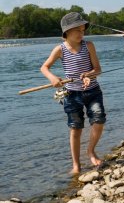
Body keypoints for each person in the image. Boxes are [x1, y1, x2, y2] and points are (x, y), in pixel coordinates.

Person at [41, 12, 106, 174]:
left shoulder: (88, 45)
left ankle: (90, 151)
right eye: (77, 30)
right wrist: (53, 78)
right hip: (71, 94)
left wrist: (89, 75)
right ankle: (76, 165)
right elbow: (44, 67)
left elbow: (98, 69)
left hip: (93, 91)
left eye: (83, 30)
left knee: (99, 120)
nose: (81, 33)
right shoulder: (60, 49)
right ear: (67, 32)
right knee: (75, 129)